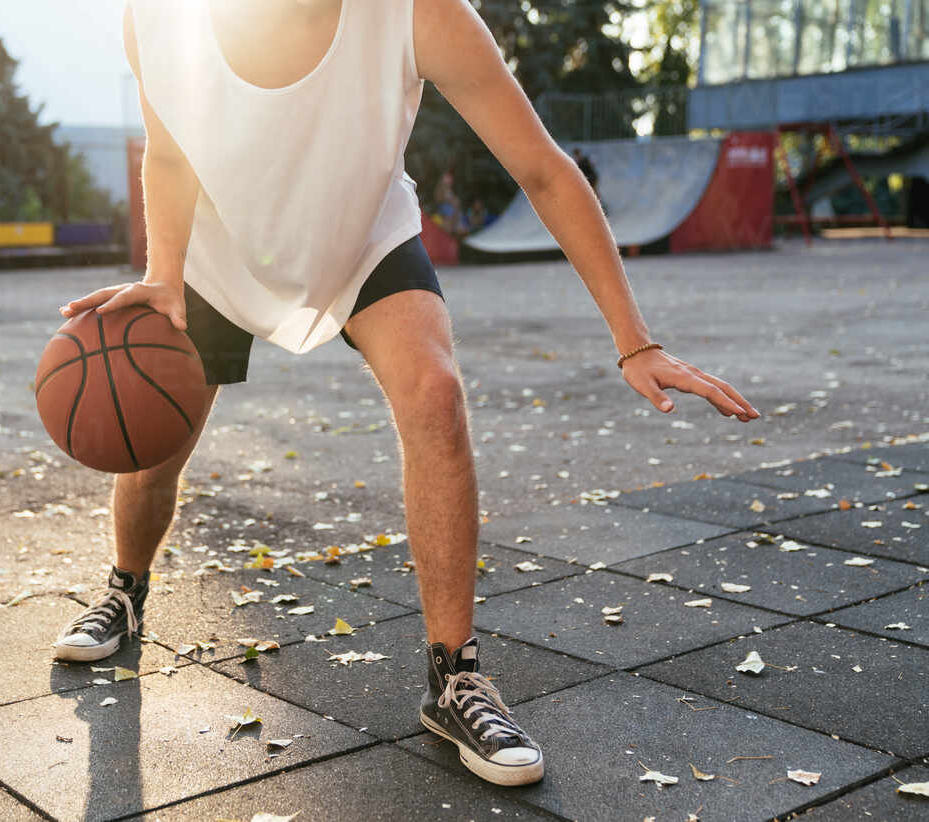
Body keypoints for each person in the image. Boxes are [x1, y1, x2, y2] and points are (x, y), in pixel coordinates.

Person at [54, 0, 760, 788]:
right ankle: (126, 590)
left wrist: (637, 340)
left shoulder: (422, 14)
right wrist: (162, 278)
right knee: (153, 440)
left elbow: (542, 168)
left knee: (435, 392)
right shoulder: (160, 18)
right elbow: (171, 154)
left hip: (363, 239)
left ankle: (455, 679)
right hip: (217, 252)